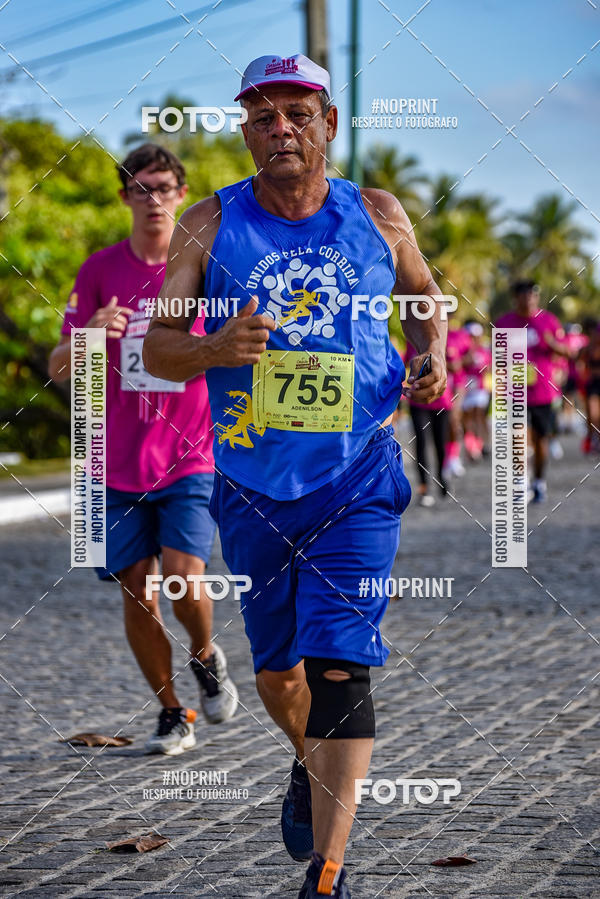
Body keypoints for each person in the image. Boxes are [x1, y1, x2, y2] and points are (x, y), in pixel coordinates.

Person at [143, 53, 447, 898]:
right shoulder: (208, 224)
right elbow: (156, 346)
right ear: (244, 131)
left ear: (329, 126)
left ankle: (330, 870)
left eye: (298, 113)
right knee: (281, 672)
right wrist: (212, 349)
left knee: (340, 661)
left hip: (358, 475)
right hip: (251, 488)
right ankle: (306, 763)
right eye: (264, 115)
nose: (282, 127)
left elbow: (424, 298)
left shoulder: (379, 215)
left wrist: (431, 354)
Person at [49, 143, 238, 755]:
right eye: (140, 188)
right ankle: (172, 711)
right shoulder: (100, 270)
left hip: (190, 453)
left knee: (183, 579)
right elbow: (58, 368)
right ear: (125, 197)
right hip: (115, 461)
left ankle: (207, 655)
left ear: (182, 194)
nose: (153, 199)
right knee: (137, 587)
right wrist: (85, 335)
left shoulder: (205, 265)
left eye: (164, 187)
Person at [495, 280, 571, 503]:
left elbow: (566, 351)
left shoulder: (548, 321)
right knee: (517, 436)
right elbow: (497, 358)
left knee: (540, 440)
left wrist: (551, 344)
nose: (528, 299)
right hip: (514, 391)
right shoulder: (504, 323)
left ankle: (539, 481)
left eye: (532, 295)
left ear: (536, 298)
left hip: (542, 392)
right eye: (523, 295)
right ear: (515, 298)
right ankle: (521, 483)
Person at [405, 342, 451, 506]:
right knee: (421, 442)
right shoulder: (412, 341)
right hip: (418, 403)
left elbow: (456, 366)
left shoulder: (443, 339)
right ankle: (423, 486)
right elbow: (404, 366)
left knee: (439, 443)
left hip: (441, 401)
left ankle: (441, 475)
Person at [461, 321, 492, 459]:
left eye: (476, 336)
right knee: (466, 418)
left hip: (479, 388)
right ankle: (471, 445)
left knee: (478, 414)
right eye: (471, 336)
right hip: (464, 388)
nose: (474, 339)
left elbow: (490, 367)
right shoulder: (462, 351)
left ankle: (482, 444)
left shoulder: (484, 351)